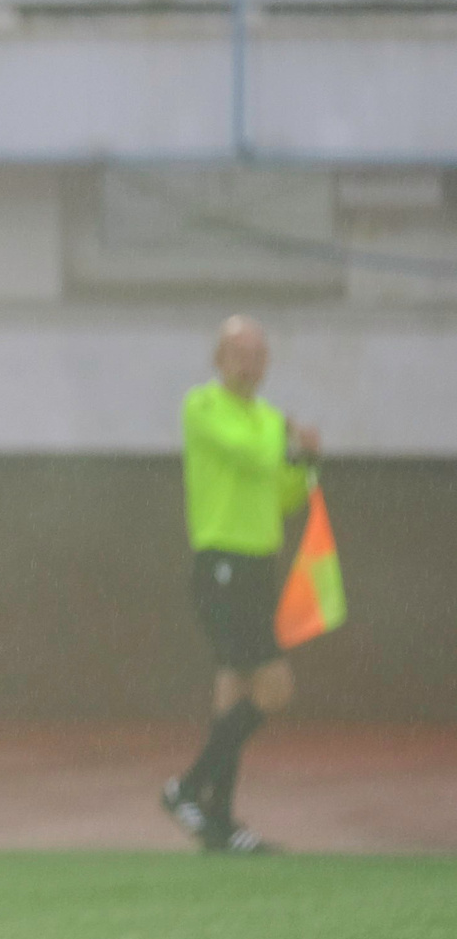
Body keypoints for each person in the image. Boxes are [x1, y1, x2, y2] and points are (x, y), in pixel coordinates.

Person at [162, 316, 320, 854]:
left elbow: (287, 495)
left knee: (234, 690)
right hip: (221, 564)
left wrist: (301, 458)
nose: (249, 366)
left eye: (258, 356)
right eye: (238, 355)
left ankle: (219, 822)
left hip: (257, 567)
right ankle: (184, 788)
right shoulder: (202, 407)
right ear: (218, 360)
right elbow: (247, 453)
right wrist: (285, 441)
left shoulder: (270, 420)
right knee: (275, 689)